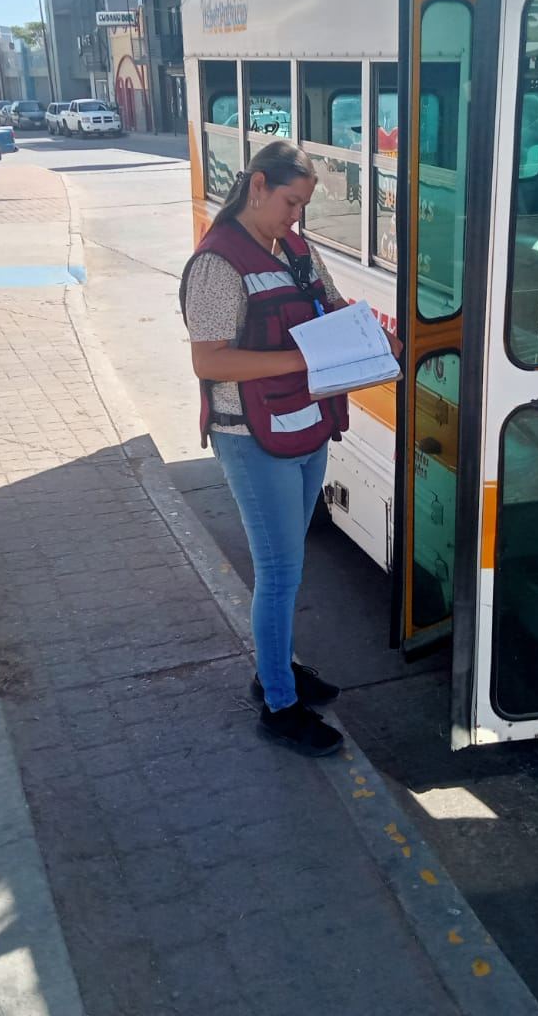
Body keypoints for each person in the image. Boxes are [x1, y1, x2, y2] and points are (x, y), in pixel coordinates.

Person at [179, 140, 400, 755]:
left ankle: (278, 665)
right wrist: (303, 357)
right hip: (250, 436)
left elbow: (329, 309)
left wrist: (372, 333)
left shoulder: (297, 250)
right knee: (278, 573)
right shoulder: (217, 262)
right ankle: (278, 704)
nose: (295, 216)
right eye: (289, 201)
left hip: (306, 425)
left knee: (292, 563)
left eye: (302, 205)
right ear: (256, 185)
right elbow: (210, 358)